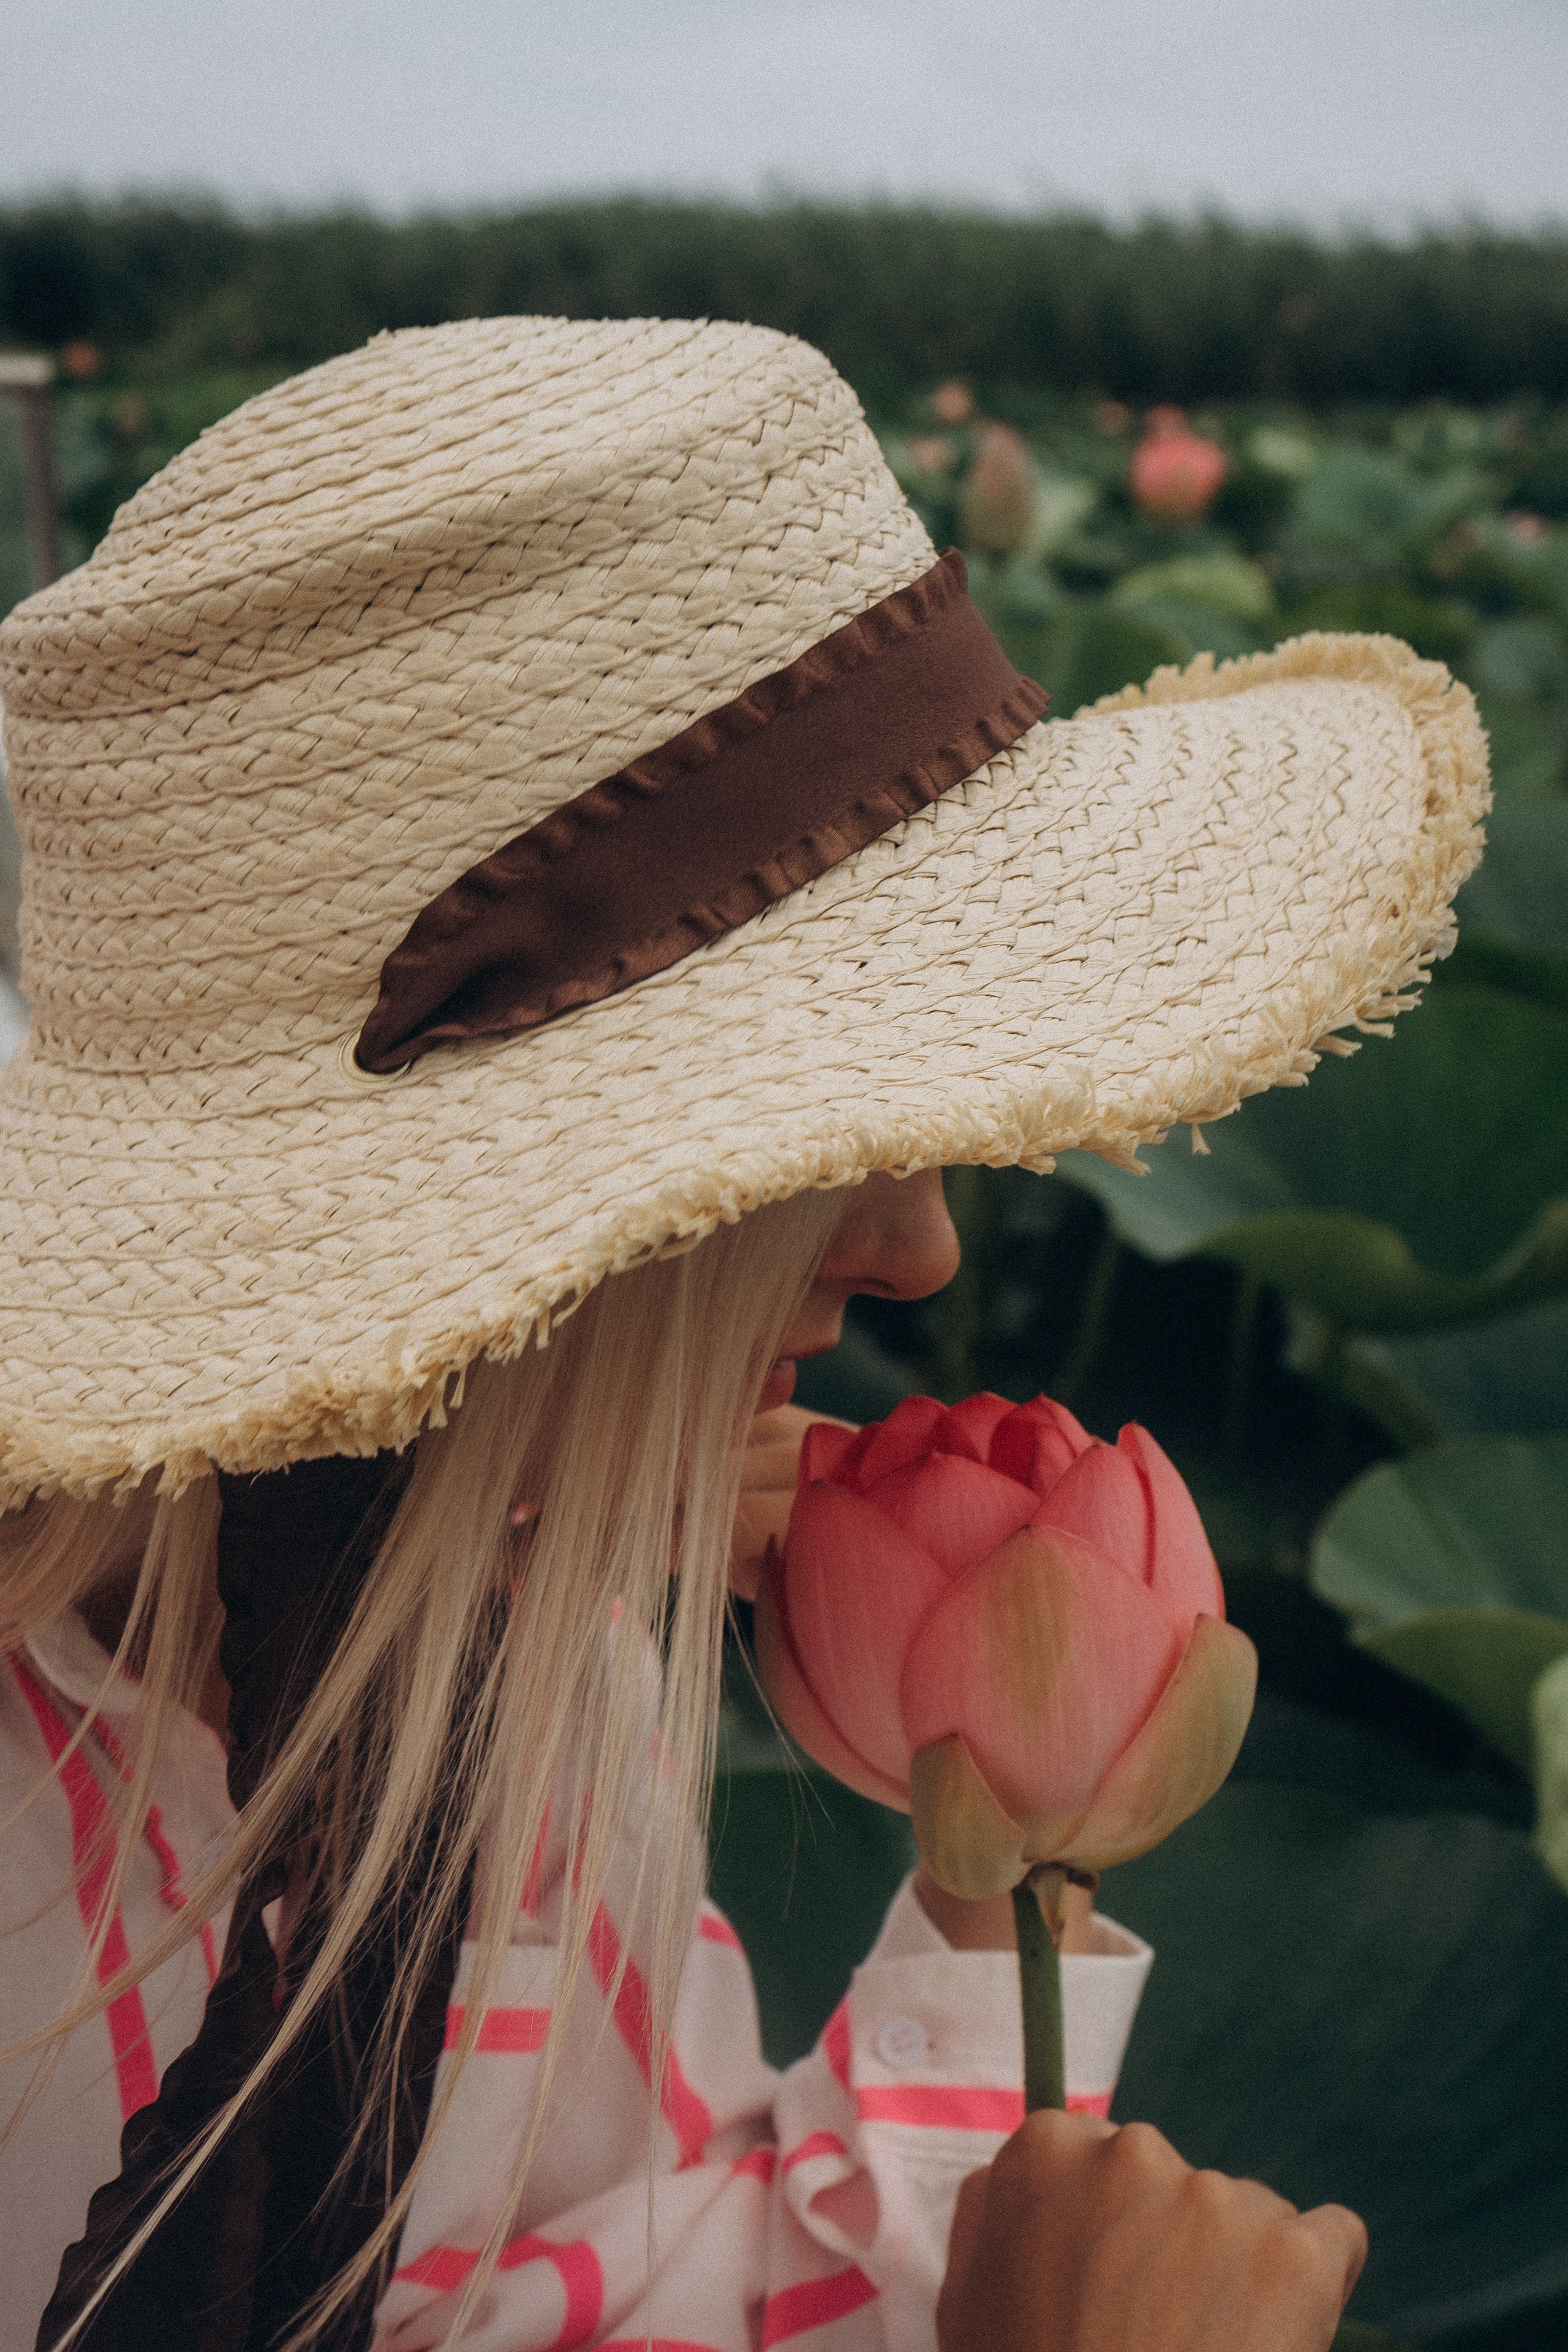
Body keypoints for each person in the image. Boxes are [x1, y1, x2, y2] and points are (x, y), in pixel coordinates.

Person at [0, 315, 1484, 2352]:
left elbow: (625, 2283)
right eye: (815, 1134)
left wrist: (995, 1847)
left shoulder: (517, 1639)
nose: (925, 1253)